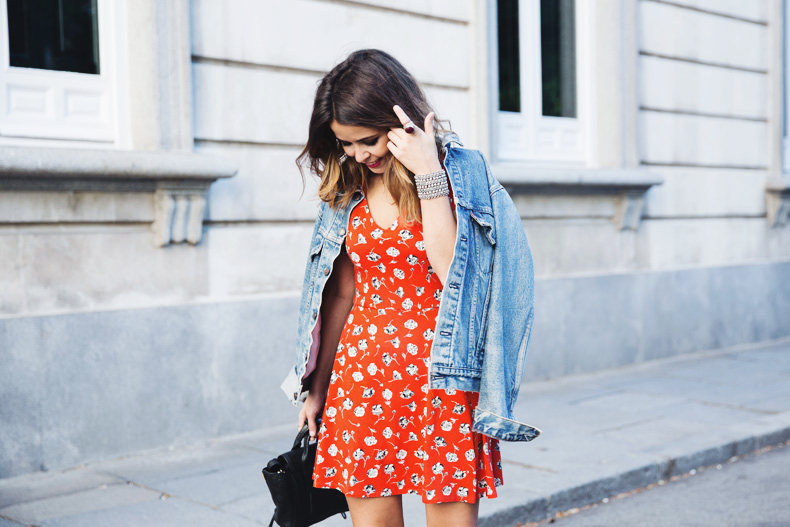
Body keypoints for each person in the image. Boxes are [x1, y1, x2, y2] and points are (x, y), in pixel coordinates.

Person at [281, 49, 540, 527]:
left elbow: (452, 272)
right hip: (361, 382)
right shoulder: (348, 187)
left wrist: (429, 177)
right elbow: (339, 295)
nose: (359, 154)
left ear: (398, 117)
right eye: (347, 144)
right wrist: (316, 386)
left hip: (440, 381)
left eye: (368, 139)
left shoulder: (461, 174)